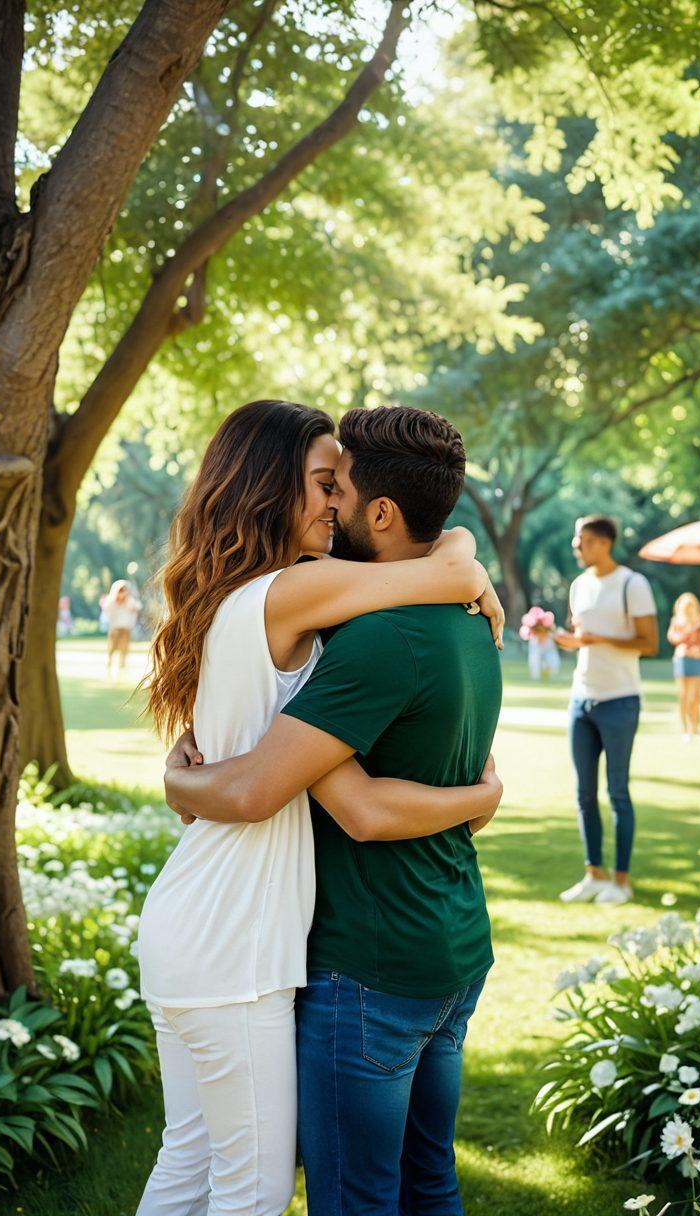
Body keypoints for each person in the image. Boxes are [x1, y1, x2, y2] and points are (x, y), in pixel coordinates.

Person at [135, 401, 504, 1216]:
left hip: (198, 923)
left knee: (191, 1164)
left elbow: (442, 551)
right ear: (270, 487)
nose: (337, 502)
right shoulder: (291, 591)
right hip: (233, 939)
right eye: (321, 482)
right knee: (251, 1191)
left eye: (343, 483)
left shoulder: (247, 595)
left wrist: (181, 784)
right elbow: (448, 569)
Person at [555, 515, 658, 905]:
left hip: (620, 699)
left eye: (580, 540)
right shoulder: (579, 585)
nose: (575, 546)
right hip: (582, 699)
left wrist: (597, 639)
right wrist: (565, 639)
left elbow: (649, 644)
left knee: (617, 792)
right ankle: (593, 873)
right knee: (583, 794)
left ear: (602, 543)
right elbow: (582, 636)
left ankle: (621, 880)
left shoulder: (633, 584)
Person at [667, 592, 700, 740]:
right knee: (683, 696)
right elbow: (673, 638)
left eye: (691, 605)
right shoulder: (677, 621)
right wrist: (685, 643)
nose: (688, 608)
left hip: (699, 660)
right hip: (683, 660)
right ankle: (685, 730)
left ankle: (695, 728)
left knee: (696, 697)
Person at [104, 579, 141, 675]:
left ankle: (122, 666)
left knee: (124, 649)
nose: (122, 593)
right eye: (120, 591)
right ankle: (109, 664)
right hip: (115, 628)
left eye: (124, 591)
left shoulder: (129, 601)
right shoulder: (111, 601)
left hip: (125, 628)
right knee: (111, 648)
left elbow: (137, 607)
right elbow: (107, 610)